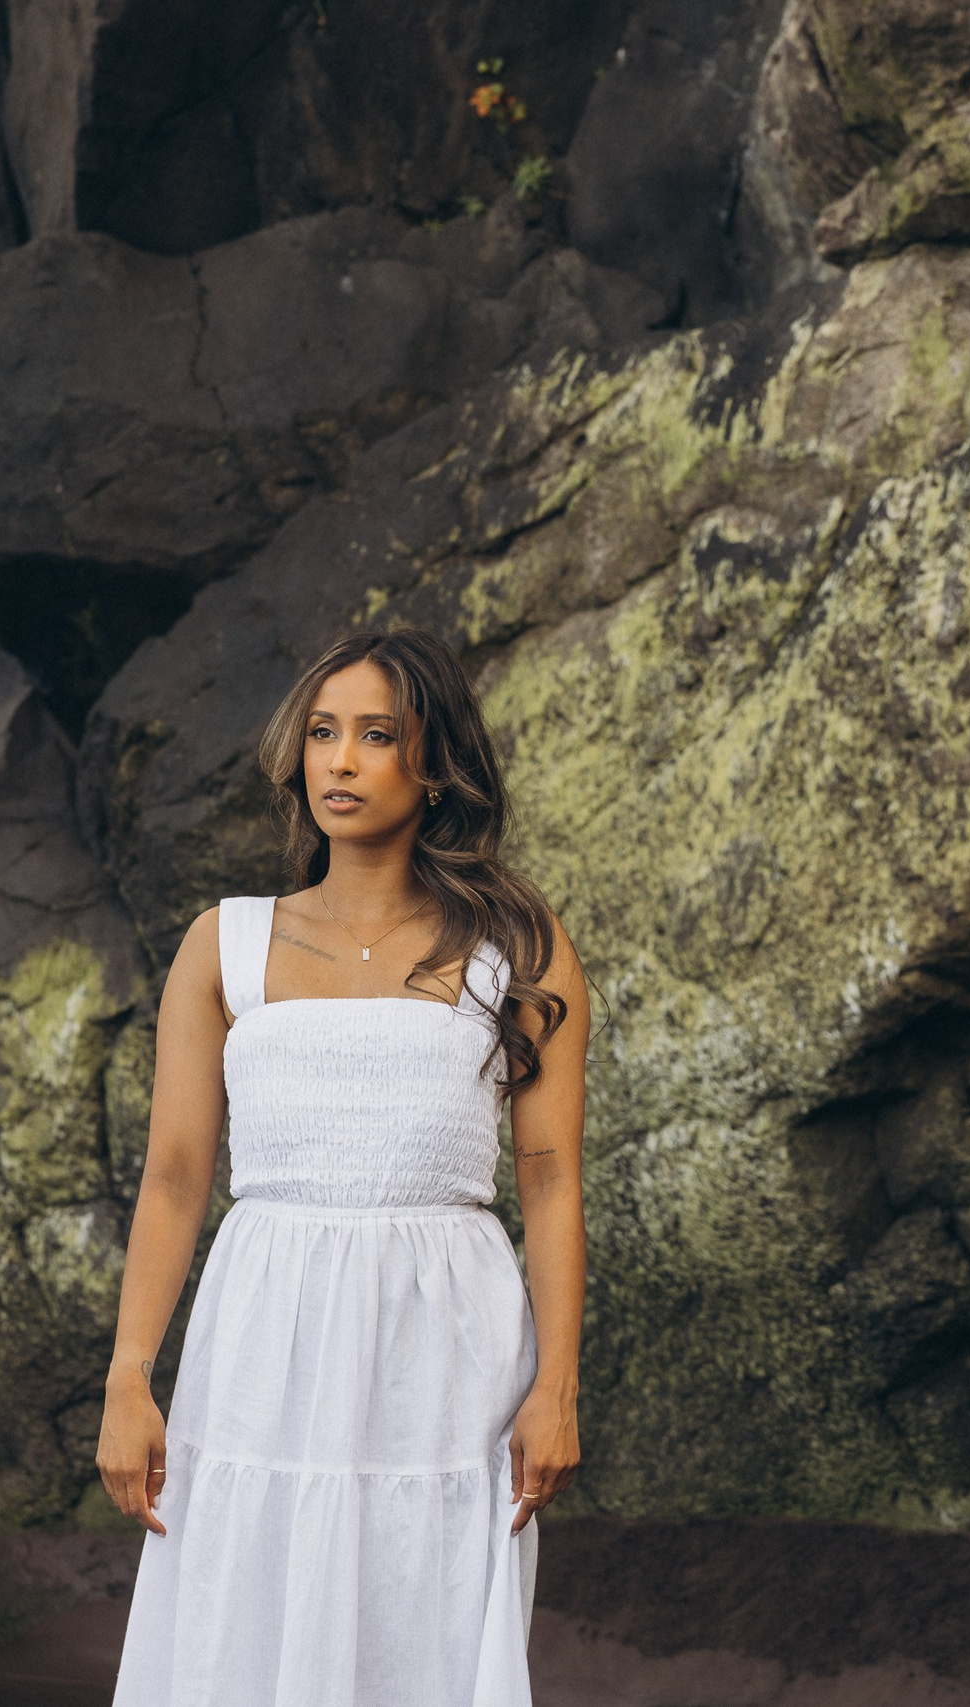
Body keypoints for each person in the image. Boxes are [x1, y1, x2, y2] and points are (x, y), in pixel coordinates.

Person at [96, 629, 591, 1705]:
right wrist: (131, 1375)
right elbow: (177, 1177)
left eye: (377, 736)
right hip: (263, 1339)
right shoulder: (221, 945)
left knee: (423, 1619)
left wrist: (555, 1386)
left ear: (434, 761)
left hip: (446, 1351)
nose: (340, 761)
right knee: (242, 1613)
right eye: (323, 734)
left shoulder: (521, 946)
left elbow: (551, 1184)